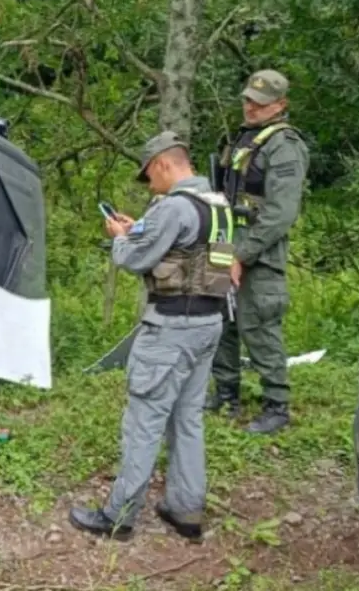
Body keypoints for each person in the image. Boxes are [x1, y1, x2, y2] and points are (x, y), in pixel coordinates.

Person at [69, 131, 233, 541]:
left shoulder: (174, 206)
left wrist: (121, 238)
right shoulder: (219, 206)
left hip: (170, 330)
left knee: (144, 421)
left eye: (150, 176)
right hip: (209, 324)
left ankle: (118, 516)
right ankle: (185, 509)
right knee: (188, 418)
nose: (150, 185)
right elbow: (188, 248)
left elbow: (135, 257)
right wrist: (139, 226)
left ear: (163, 163)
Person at [206, 69, 309, 434]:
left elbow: (282, 212)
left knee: (259, 323)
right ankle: (227, 394)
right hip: (226, 242)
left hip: (260, 252)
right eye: (248, 99)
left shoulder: (285, 146)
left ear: (280, 105)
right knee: (223, 320)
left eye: (260, 102)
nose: (251, 106)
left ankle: (276, 406)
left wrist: (243, 254)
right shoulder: (243, 139)